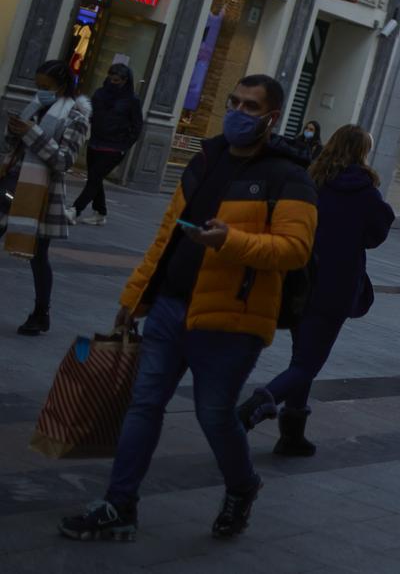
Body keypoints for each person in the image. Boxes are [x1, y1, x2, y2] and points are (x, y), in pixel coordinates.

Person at [58, 75, 317, 541]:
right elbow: (167, 234)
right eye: (234, 101)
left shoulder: (288, 175)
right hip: (169, 309)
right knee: (143, 405)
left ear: (272, 118)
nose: (238, 112)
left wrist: (230, 241)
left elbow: (295, 249)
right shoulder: (205, 159)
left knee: (214, 414)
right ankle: (120, 505)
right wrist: (134, 296)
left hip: (231, 321)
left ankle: (242, 486)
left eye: (251, 106)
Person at [238, 125, 394, 456]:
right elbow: (376, 235)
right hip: (335, 286)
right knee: (307, 364)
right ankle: (258, 404)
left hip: (297, 279)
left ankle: (292, 434)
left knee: (302, 357)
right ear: (361, 153)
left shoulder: (312, 180)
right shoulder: (365, 192)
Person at [0, 60, 91, 335]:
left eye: (46, 86)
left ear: (62, 86)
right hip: (12, 181)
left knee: (38, 255)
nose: (40, 91)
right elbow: (12, 146)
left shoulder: (77, 117)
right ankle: (40, 313)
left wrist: (32, 133)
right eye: (38, 86)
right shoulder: (36, 105)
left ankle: (41, 312)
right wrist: (14, 131)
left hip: (42, 193)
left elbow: (64, 161)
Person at [68, 64, 141, 226]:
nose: (113, 82)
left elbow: (137, 126)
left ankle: (75, 210)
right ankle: (100, 212)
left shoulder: (132, 101)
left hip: (114, 147)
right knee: (96, 178)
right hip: (95, 142)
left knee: (94, 178)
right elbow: (92, 115)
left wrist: (125, 145)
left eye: (117, 80)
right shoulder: (99, 94)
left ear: (125, 81)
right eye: (111, 78)